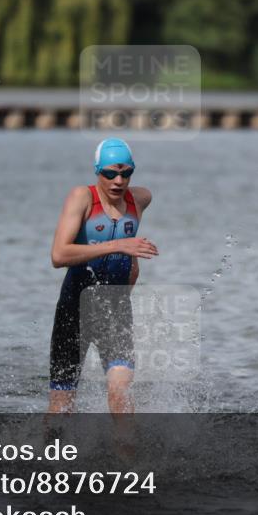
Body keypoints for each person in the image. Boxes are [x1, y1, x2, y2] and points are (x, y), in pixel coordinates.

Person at [48, 138, 157, 414]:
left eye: (126, 173)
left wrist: (129, 268)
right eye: (110, 173)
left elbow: (129, 248)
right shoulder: (82, 198)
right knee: (62, 408)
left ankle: (129, 458)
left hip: (115, 311)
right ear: (97, 171)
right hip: (74, 310)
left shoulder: (140, 199)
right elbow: (59, 255)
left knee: (120, 398)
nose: (118, 180)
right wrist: (120, 245)